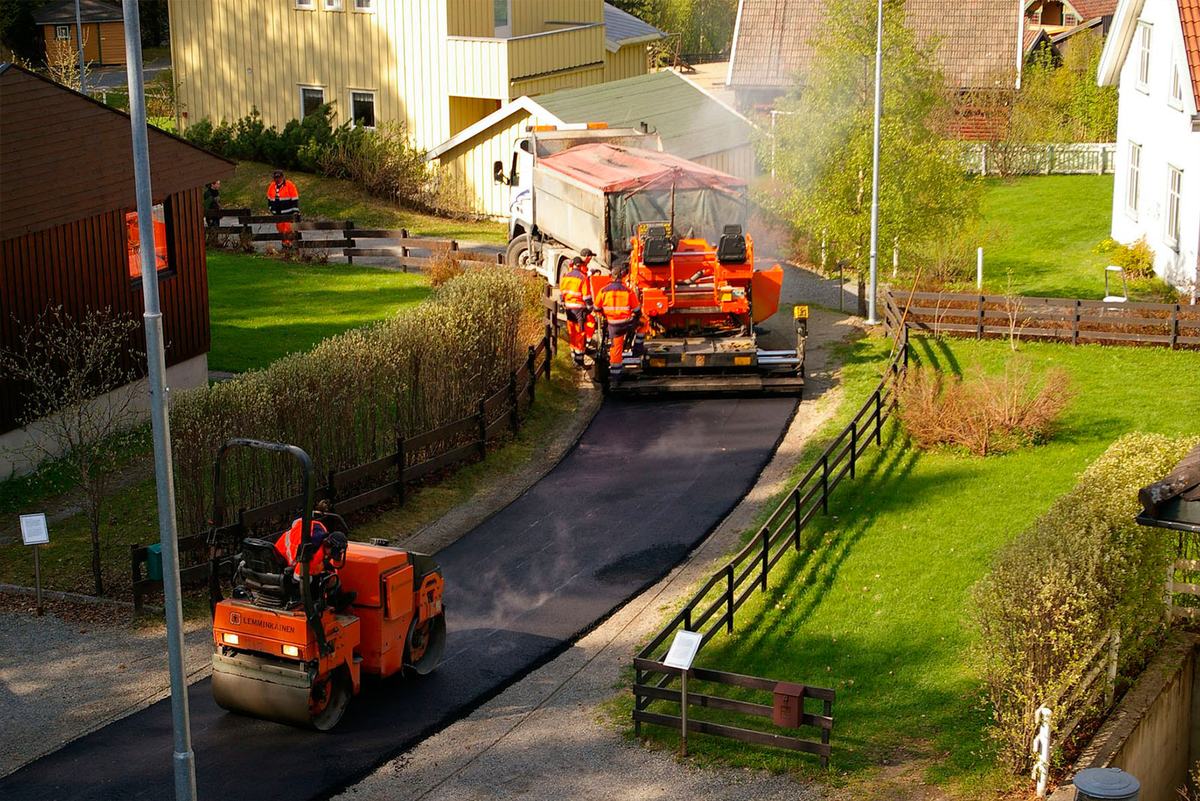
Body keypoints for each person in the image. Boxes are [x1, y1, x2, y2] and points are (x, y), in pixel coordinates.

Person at [274, 516, 356, 610]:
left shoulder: (317, 526)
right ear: (327, 544)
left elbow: (296, 522)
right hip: (288, 571)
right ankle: (334, 603)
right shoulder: (313, 555)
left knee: (325, 567)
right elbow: (299, 578)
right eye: (332, 553)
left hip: (277, 555)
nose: (331, 556)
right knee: (328, 572)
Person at [594, 261, 641, 385]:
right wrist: (636, 319)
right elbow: (637, 310)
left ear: (611, 275)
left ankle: (616, 375)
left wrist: (604, 314)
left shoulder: (604, 291)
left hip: (614, 325)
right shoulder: (628, 291)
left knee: (616, 349)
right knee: (644, 323)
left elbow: (596, 307)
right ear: (621, 276)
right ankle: (637, 347)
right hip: (627, 323)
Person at [558, 255, 594, 367]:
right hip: (579, 309)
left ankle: (574, 356)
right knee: (579, 333)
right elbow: (586, 296)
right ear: (581, 265)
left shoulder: (566, 276)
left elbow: (561, 294)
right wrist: (590, 308)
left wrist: (564, 304)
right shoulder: (582, 277)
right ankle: (579, 361)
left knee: (572, 332)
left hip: (569, 309)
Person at [266, 169, 299, 246]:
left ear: (282, 177)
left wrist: (295, 210)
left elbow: (294, 198)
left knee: (289, 228)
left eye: (279, 177)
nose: (277, 179)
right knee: (280, 228)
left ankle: (290, 243)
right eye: (275, 178)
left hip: (288, 212)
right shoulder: (272, 186)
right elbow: (269, 198)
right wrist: (271, 208)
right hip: (277, 212)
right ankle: (284, 243)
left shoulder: (289, 185)